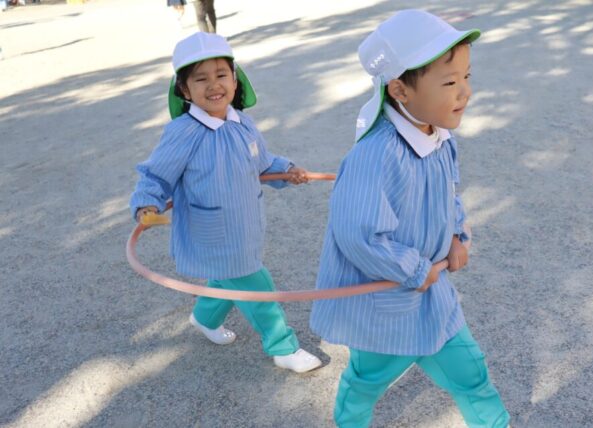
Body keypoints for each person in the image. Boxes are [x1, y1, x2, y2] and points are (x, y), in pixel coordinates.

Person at [309, 10, 510, 427]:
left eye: (467, 77)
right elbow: (359, 236)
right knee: (366, 381)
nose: (465, 92)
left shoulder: (440, 136)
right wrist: (417, 268)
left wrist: (456, 235)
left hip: (433, 302)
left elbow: (447, 195)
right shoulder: (375, 156)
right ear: (400, 89)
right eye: (450, 82)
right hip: (385, 306)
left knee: (471, 373)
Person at [130, 32, 322, 373]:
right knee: (254, 284)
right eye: (200, 79)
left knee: (226, 277)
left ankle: (204, 317)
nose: (213, 85)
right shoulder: (183, 132)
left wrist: (287, 170)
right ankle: (283, 346)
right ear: (184, 90)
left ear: (235, 80)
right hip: (213, 233)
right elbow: (156, 174)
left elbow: (262, 163)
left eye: (221, 75)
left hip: (245, 224)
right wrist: (148, 203)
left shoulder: (243, 123)